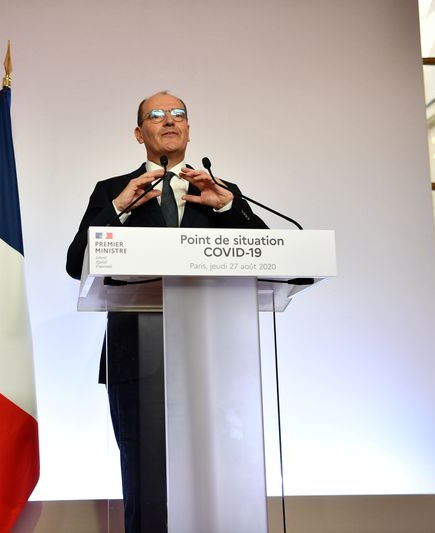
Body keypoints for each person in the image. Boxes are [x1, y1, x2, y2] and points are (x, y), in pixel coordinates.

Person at [66, 91, 267, 533]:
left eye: (179, 114)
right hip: (137, 353)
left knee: (215, 474)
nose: (169, 120)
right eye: (156, 115)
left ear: (189, 130)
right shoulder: (111, 191)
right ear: (140, 134)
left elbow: (267, 250)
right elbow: (75, 261)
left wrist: (230, 207)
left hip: (210, 355)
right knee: (147, 480)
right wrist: (118, 208)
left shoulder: (215, 190)